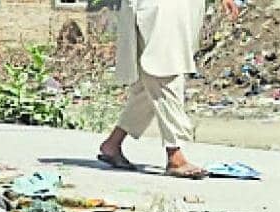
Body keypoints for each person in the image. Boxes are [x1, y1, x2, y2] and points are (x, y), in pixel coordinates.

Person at [97, 0, 239, 179]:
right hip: (159, 9)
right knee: (164, 72)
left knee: (150, 83)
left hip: (172, 10)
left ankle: (112, 143)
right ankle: (175, 155)